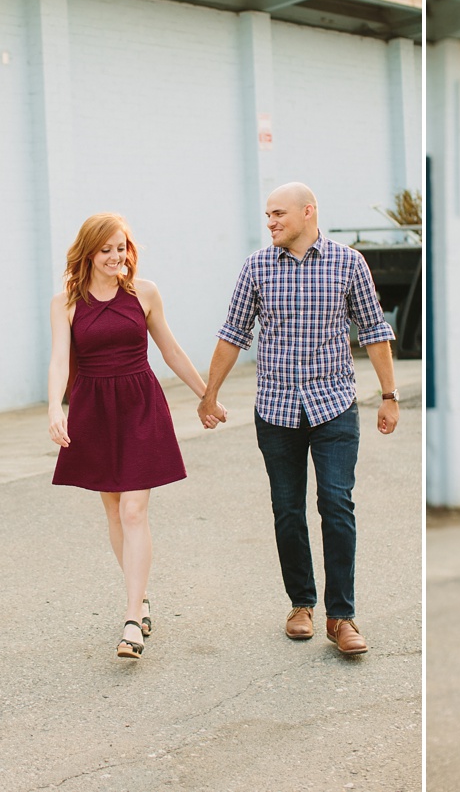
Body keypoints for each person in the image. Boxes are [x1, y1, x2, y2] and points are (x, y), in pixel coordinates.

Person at [197, 182, 399, 656]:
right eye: (267, 215)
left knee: (336, 504)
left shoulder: (348, 262)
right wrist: (210, 395)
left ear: (308, 212)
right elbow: (233, 334)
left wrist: (389, 396)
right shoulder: (257, 266)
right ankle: (301, 605)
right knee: (287, 511)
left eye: (278, 214)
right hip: (276, 409)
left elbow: (374, 331)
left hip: (333, 405)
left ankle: (342, 616)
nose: (270, 222)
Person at [48, 213, 223, 660]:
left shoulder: (144, 294)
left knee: (133, 509)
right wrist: (55, 408)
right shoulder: (66, 302)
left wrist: (207, 395)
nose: (115, 256)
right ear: (88, 252)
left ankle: (131, 621)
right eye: (106, 249)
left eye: (121, 247)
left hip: (140, 404)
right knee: (113, 511)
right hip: (93, 410)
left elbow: (171, 349)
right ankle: (140, 597)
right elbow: (60, 362)